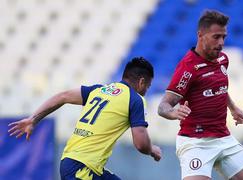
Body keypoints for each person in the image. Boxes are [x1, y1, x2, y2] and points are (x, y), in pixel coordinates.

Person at [8, 57, 162, 180]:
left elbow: (63, 96)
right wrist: (152, 149)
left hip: (75, 162)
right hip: (82, 168)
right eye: (147, 86)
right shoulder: (135, 99)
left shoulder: (99, 90)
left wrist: (33, 119)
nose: (146, 91)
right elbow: (141, 143)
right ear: (142, 81)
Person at [158, 10, 243, 180]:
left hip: (223, 137)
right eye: (216, 37)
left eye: (224, 37)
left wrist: (233, 107)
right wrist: (173, 112)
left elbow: (217, 85)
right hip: (195, 142)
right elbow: (163, 106)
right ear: (201, 35)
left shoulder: (223, 59)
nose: (221, 42)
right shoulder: (188, 68)